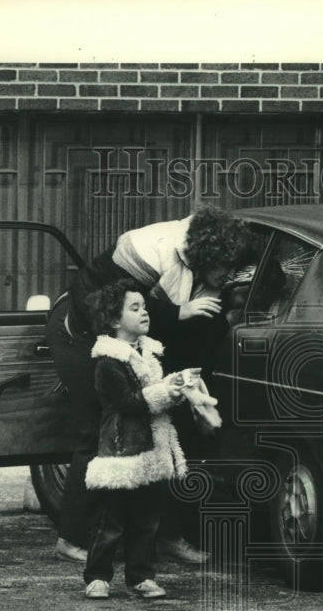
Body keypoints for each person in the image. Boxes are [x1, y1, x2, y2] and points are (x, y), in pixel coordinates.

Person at [46, 206, 254, 564]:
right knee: (99, 432)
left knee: (166, 431)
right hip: (83, 335)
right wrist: (178, 313)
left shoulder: (211, 255)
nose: (228, 275)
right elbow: (109, 308)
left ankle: (165, 535)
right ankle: (71, 537)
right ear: (205, 256)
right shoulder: (147, 249)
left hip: (138, 341)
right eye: (223, 268)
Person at [81, 280, 206, 600]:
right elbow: (129, 402)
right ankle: (97, 576)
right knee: (111, 521)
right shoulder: (108, 360)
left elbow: (154, 392)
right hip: (120, 449)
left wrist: (175, 385)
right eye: (134, 308)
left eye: (144, 307)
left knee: (147, 518)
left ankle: (141, 575)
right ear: (113, 320)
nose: (144, 313)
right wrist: (167, 392)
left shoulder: (148, 351)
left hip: (150, 448)